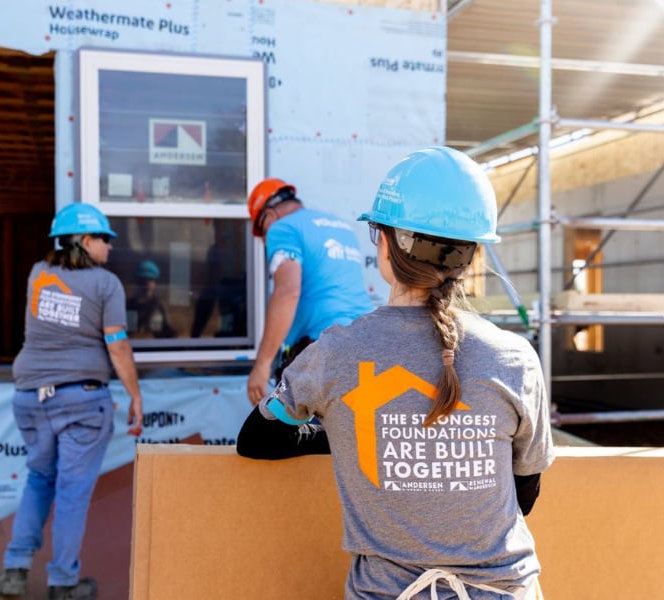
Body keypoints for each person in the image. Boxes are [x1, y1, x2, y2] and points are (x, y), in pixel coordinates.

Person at [237, 147, 555, 600]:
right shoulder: (516, 357)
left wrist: (354, 432)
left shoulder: (337, 354)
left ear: (385, 246)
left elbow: (256, 440)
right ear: (472, 254)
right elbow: (523, 494)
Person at [0, 203, 144, 600]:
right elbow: (117, 345)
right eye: (104, 240)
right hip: (80, 399)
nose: (110, 248)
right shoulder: (105, 284)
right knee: (72, 492)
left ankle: (14, 570)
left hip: (30, 397)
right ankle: (62, 582)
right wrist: (135, 396)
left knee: (39, 479)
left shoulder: (37, 275)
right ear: (85, 241)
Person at [246, 178, 374, 405]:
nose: (265, 239)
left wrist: (263, 363)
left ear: (270, 214)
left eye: (261, 230)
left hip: (322, 351)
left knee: (299, 436)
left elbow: (287, 292)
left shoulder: (283, 228)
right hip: (366, 346)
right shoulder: (342, 228)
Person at [127, 259, 176, 338]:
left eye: (150, 280)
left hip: (155, 349)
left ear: (155, 283)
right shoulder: (128, 307)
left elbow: (169, 334)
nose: (146, 284)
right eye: (142, 281)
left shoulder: (159, 307)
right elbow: (116, 333)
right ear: (137, 282)